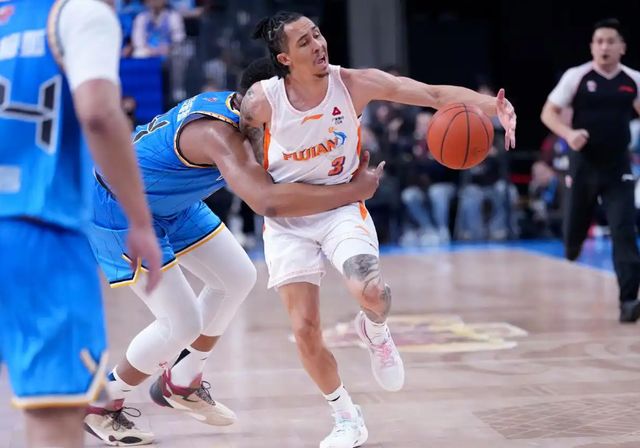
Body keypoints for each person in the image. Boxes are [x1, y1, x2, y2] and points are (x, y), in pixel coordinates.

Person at [242, 11, 517, 448]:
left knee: (371, 291)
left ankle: (374, 329)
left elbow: (432, 94)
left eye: (317, 34)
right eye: (304, 42)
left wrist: (493, 108)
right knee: (305, 330)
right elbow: (237, 145)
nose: (318, 45)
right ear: (284, 59)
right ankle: (346, 417)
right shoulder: (262, 101)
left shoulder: (353, 83)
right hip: (288, 221)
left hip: (340, 207)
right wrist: (258, 183)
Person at [83, 57, 384, 446]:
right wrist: (352, 191)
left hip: (171, 202)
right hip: (121, 208)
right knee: (181, 323)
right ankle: (103, 403)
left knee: (238, 276)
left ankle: (183, 380)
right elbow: (266, 200)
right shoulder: (217, 133)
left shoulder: (252, 117)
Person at [0, 1, 162, 447]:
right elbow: (98, 113)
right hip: (36, 233)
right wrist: (139, 220)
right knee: (53, 416)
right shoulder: (80, 14)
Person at [541, 18, 640, 323]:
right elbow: (548, 113)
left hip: (618, 167)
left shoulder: (633, 80)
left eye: (610, 41)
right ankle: (572, 246)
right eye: (598, 41)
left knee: (624, 231)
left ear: (622, 47)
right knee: (573, 232)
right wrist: (568, 134)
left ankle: (628, 302)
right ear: (592, 47)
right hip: (583, 165)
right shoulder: (577, 76)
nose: (604, 46)